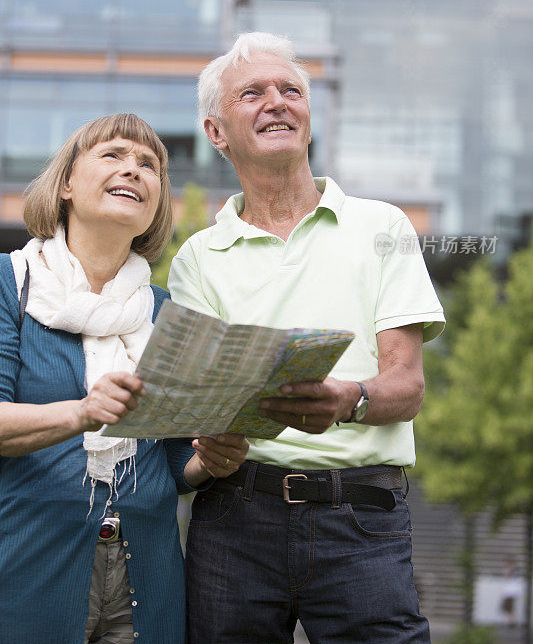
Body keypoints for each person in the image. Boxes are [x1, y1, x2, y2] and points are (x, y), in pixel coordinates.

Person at [168, 32, 446, 644]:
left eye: (291, 90)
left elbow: (407, 386)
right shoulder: (197, 258)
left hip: (363, 520)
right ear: (216, 132)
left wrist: (349, 398)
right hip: (235, 522)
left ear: (309, 117)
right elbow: (197, 408)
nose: (277, 102)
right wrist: (209, 446)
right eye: (254, 93)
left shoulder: (385, 227)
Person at [0, 113, 249, 644]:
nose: (133, 170)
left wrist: (209, 462)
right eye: (112, 155)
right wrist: (83, 413)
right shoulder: (8, 287)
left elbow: (172, 462)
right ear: (66, 183)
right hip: (25, 565)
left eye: (149, 165)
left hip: (149, 572)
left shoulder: (165, 312)